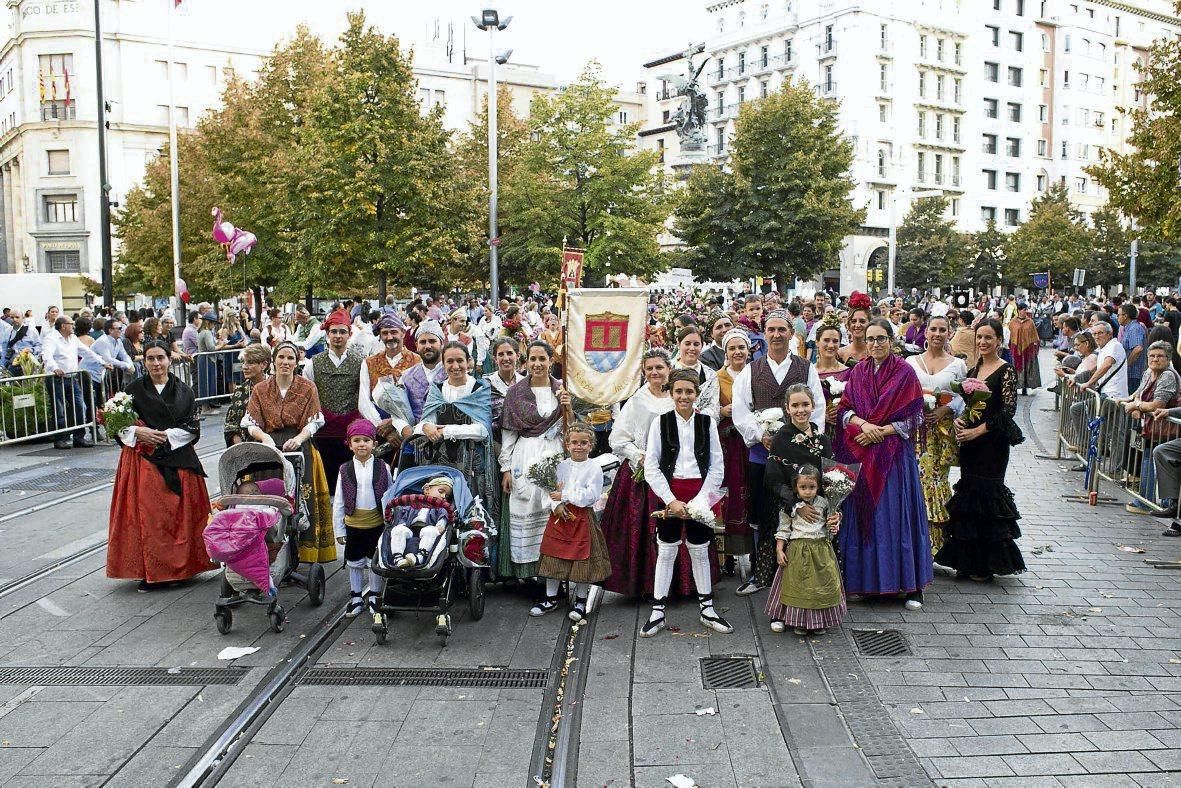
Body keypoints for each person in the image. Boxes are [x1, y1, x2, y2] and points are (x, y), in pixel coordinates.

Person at [836, 318, 933, 609]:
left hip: (893, 458)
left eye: (881, 338)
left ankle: (909, 584)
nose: (875, 344)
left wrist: (882, 432)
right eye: (871, 339)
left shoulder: (905, 372)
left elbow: (916, 416)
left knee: (895, 517)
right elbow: (844, 409)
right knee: (865, 517)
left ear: (891, 340)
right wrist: (863, 425)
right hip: (863, 453)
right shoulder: (858, 372)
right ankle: (864, 583)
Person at [107, 340, 213, 590]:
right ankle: (150, 570)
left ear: (169, 359)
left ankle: (182, 568)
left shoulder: (184, 391)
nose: (156, 363)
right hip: (143, 460)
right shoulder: (132, 389)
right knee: (149, 517)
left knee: (178, 517)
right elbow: (117, 425)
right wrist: (138, 432)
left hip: (178, 458)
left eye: (160, 358)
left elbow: (192, 427)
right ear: (144, 362)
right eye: (150, 359)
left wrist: (164, 436)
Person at [731, 310, 825, 595]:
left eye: (781, 329)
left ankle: (798, 569)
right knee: (763, 512)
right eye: (770, 329)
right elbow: (740, 409)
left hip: (800, 455)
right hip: (762, 453)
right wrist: (761, 435)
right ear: (764, 333)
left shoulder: (806, 368)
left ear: (791, 333)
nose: (776, 335)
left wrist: (804, 436)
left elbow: (817, 407)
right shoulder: (752, 369)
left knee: (798, 507)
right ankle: (762, 573)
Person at [640, 369, 731, 636]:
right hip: (672, 491)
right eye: (678, 391)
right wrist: (671, 500)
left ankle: (707, 608)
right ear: (670, 393)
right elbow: (652, 466)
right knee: (667, 550)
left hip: (700, 491)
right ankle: (658, 611)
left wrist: (700, 501)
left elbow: (717, 466)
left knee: (700, 549)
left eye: (689, 391)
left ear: (696, 393)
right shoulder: (661, 422)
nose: (683, 396)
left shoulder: (707, 423)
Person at [934, 319, 1026, 580]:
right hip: (970, 444)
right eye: (980, 337)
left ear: (999, 340)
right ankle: (968, 560)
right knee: (969, 494)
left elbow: (1007, 412)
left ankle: (987, 563)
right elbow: (966, 404)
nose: (983, 342)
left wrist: (978, 430)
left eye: (988, 337)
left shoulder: (1006, 370)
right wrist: (962, 421)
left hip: (992, 444)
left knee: (988, 495)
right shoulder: (974, 370)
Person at [243, 341, 335, 563]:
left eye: (290, 358)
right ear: (273, 361)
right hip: (268, 450)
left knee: (302, 497)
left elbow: (314, 422)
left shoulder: (307, 387)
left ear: (297, 361)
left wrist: (299, 438)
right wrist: (264, 437)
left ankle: (303, 551)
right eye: (281, 357)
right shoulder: (261, 389)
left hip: (298, 446)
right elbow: (250, 422)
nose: (285, 362)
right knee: (269, 496)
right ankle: (268, 550)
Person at [601, 349, 682, 598]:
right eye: (649, 369)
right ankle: (645, 584)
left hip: (676, 471)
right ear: (644, 372)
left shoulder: (678, 396)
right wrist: (640, 456)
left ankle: (678, 584)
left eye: (659, 367)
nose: (655, 372)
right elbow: (617, 438)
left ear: (669, 369)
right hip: (643, 475)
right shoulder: (638, 400)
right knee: (644, 527)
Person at [763, 384, 843, 632]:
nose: (800, 410)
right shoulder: (781, 439)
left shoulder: (822, 439)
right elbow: (773, 478)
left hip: (818, 508)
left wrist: (834, 510)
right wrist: (796, 504)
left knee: (819, 563)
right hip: (790, 507)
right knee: (789, 562)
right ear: (787, 408)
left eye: (805, 404)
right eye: (795, 405)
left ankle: (818, 612)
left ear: (813, 405)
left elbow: (832, 477)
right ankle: (782, 610)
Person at [499, 341, 568, 582]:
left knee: (552, 509)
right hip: (525, 455)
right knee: (524, 505)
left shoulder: (562, 390)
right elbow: (508, 433)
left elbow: (573, 429)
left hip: (554, 455)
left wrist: (569, 408)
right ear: (526, 362)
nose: (537, 364)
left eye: (542, 359)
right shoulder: (516, 392)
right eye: (533, 359)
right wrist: (505, 468)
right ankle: (527, 574)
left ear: (551, 361)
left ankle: (553, 574)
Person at [532, 422, 612, 622]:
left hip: (581, 517)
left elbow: (591, 495)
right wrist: (555, 505)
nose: (579, 446)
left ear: (591, 445)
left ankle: (580, 600)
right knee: (554, 556)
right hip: (559, 517)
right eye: (574, 442)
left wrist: (565, 494)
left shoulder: (593, 467)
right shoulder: (559, 465)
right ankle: (551, 598)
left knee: (581, 559)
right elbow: (548, 489)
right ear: (567, 444)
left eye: (584, 443)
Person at [413, 342, 497, 524]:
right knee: (441, 514)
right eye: (449, 361)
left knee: (471, 514)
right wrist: (426, 426)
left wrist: (448, 431)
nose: (455, 366)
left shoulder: (479, 389)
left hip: (472, 465)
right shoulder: (437, 390)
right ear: (443, 364)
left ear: (469, 362)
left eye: (460, 360)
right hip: (441, 464)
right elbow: (421, 424)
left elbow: (483, 430)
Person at [906, 315, 968, 554]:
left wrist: (945, 409)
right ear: (926, 332)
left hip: (941, 433)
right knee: (915, 482)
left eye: (943, 330)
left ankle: (935, 545)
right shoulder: (911, 361)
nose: (938, 334)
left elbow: (963, 395)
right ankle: (914, 542)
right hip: (914, 431)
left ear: (949, 333)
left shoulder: (957, 364)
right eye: (934, 329)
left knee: (935, 482)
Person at [332, 419, 394, 621]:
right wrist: (339, 530)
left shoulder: (383, 467)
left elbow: (390, 495)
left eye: (366, 440)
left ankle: (375, 595)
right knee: (355, 561)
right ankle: (357, 597)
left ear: (374, 444)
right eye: (357, 440)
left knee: (374, 560)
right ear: (349, 444)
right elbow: (339, 501)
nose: (361, 444)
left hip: (376, 523)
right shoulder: (344, 470)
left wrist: (390, 521)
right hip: (354, 524)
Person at [773, 465, 843, 636]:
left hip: (821, 550)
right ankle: (800, 622)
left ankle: (819, 622)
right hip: (798, 551)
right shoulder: (790, 507)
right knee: (800, 586)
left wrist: (834, 525)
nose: (807, 491)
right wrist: (779, 550)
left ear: (818, 486)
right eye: (803, 487)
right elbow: (783, 529)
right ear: (795, 487)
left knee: (820, 586)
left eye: (811, 487)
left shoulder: (825, 503)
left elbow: (830, 525)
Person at [303, 310, 363, 493]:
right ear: (327, 334)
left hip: (350, 432)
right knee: (326, 483)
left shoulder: (361, 362)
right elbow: (308, 396)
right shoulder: (313, 363)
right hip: (323, 432)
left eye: (342, 332)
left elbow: (364, 396)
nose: (338, 336)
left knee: (350, 482)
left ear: (349, 334)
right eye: (334, 331)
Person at [1123, 341, 1181, 515]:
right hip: (1150, 427)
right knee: (1147, 458)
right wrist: (1133, 403)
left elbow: (1157, 404)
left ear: (1168, 358)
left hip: (1166, 428)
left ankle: (1156, 501)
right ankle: (1146, 499)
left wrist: (1137, 406)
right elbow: (1139, 394)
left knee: (1156, 459)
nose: (1155, 359)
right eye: (1152, 356)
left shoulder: (1168, 376)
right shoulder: (1149, 372)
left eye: (1160, 356)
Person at [715, 329, 753, 565]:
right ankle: (726, 553)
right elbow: (706, 410)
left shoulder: (756, 373)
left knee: (750, 492)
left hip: (750, 443)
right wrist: (721, 411)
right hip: (727, 444)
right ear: (726, 352)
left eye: (741, 347)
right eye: (732, 348)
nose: (737, 352)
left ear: (748, 350)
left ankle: (752, 548)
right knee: (728, 493)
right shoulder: (717, 378)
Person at [42, 315, 109, 449]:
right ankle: (60, 438)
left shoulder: (73, 338)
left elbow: (87, 352)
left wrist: (102, 362)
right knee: (59, 409)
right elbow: (47, 356)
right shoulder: (51, 338)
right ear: (63, 326)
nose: (73, 326)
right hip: (56, 378)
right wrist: (55, 368)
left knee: (80, 406)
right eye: (71, 324)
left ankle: (79, 437)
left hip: (72, 377)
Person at [382, 475, 454, 570]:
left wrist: (441, 525)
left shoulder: (441, 508)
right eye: (441, 492)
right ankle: (398, 558)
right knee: (398, 530)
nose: (443, 496)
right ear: (427, 489)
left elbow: (443, 517)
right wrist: (401, 523)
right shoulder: (413, 505)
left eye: (447, 496)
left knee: (430, 531)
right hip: (410, 529)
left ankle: (420, 557)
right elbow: (404, 516)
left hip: (428, 529)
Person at [223, 344, 270, 446]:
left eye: (250, 363)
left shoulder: (275, 387)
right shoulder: (239, 391)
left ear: (264, 365)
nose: (244, 367)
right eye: (244, 362)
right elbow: (231, 425)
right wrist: (241, 448)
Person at [401, 320, 447, 422]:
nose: (427, 346)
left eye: (432, 341)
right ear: (416, 346)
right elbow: (400, 410)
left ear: (442, 343)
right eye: (423, 342)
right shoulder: (406, 376)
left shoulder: (452, 373)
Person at [674, 325, 719, 417]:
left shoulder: (710, 375)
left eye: (696, 344)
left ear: (702, 346)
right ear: (679, 344)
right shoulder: (666, 370)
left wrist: (695, 417)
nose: (692, 348)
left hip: (700, 426)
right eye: (687, 343)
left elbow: (713, 407)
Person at [1007, 303, 1041, 395]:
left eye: (1026, 309)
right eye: (1024, 309)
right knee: (1015, 367)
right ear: (1019, 310)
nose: (1025, 311)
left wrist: (1035, 344)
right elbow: (1009, 336)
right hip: (1015, 348)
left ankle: (1025, 387)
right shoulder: (1012, 322)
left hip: (1028, 349)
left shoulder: (1030, 322)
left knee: (1027, 367)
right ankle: (1015, 386)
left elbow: (1034, 335)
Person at [1117, 303, 1149, 394]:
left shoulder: (1134, 328)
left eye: (1118, 315)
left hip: (1134, 374)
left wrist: (1125, 365)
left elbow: (1138, 349)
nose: (1117, 317)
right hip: (1131, 374)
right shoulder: (1129, 328)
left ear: (1125, 316)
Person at [837, 296, 872, 365]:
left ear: (869, 324)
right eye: (853, 321)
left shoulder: (875, 353)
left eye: (862, 321)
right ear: (848, 325)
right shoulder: (839, 354)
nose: (857, 325)